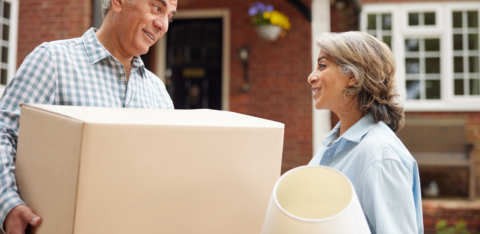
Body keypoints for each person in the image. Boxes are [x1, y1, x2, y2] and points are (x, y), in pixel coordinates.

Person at [0, 0, 177, 233]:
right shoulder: (52, 61)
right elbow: (3, 133)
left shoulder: (159, 94)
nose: (163, 24)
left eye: (169, 16)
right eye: (156, 8)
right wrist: (9, 206)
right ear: (118, 2)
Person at [307, 31, 423, 234]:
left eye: (322, 65)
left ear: (352, 77)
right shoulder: (332, 145)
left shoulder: (380, 156)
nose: (311, 77)